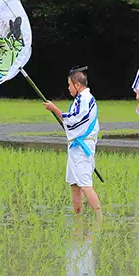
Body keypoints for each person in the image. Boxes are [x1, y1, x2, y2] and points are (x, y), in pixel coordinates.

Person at [44, 66, 103, 220]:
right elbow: (72, 120)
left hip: (82, 149)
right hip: (76, 148)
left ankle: (100, 218)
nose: (68, 88)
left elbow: (74, 120)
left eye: (69, 84)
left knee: (84, 184)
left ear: (77, 85)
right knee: (75, 184)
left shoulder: (85, 99)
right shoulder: (81, 99)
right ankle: (78, 217)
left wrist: (55, 109)